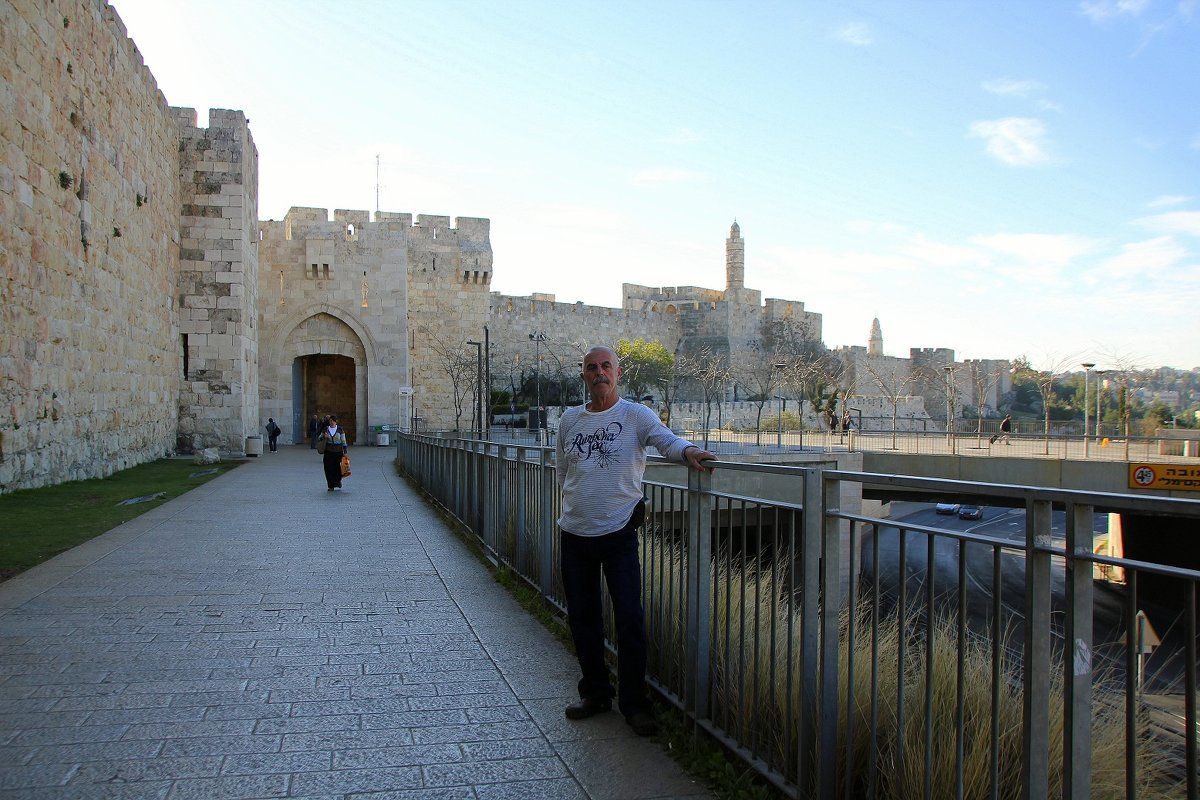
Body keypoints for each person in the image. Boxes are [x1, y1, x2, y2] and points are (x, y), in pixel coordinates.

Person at [556, 345, 716, 737]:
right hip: (574, 534)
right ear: (584, 376)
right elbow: (562, 470)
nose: (599, 373)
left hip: (618, 533)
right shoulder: (569, 420)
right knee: (583, 619)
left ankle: (634, 704)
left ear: (618, 372)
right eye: (592, 368)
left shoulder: (635, 415)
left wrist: (689, 451)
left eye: (605, 366)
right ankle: (595, 693)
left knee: (629, 619)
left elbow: (665, 439)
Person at [317, 414, 348, 490]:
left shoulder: (340, 430)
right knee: (328, 469)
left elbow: (344, 441)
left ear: (336, 421)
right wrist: (324, 436)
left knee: (337, 468)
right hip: (328, 452)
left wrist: (345, 452)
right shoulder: (325, 429)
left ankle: (338, 481)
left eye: (333, 421)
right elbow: (319, 438)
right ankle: (330, 486)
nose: (331, 422)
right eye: (330, 421)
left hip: (338, 452)